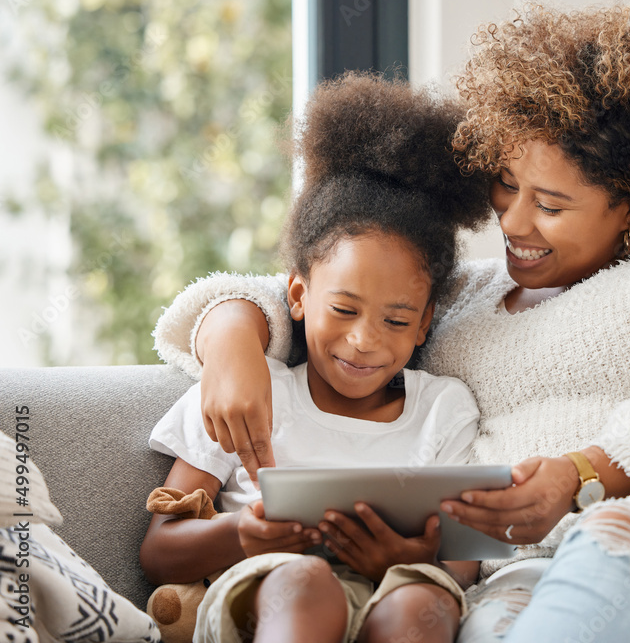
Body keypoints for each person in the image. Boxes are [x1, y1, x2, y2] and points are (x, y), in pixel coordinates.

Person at [153, 3, 630, 642]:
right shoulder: (466, 296)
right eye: (506, 185)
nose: (512, 221)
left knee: (608, 544)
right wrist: (231, 337)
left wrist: (585, 475)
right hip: (524, 574)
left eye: (552, 205)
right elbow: (340, 281)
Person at [140, 73, 493, 643]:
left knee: (421, 601)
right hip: (271, 590)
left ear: (426, 321)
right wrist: (240, 535)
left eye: (397, 321)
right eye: (345, 310)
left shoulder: (443, 409)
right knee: (304, 580)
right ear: (298, 296)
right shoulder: (257, 392)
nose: (364, 341)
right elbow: (159, 550)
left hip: (394, 590)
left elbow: (462, 568)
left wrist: (409, 558)